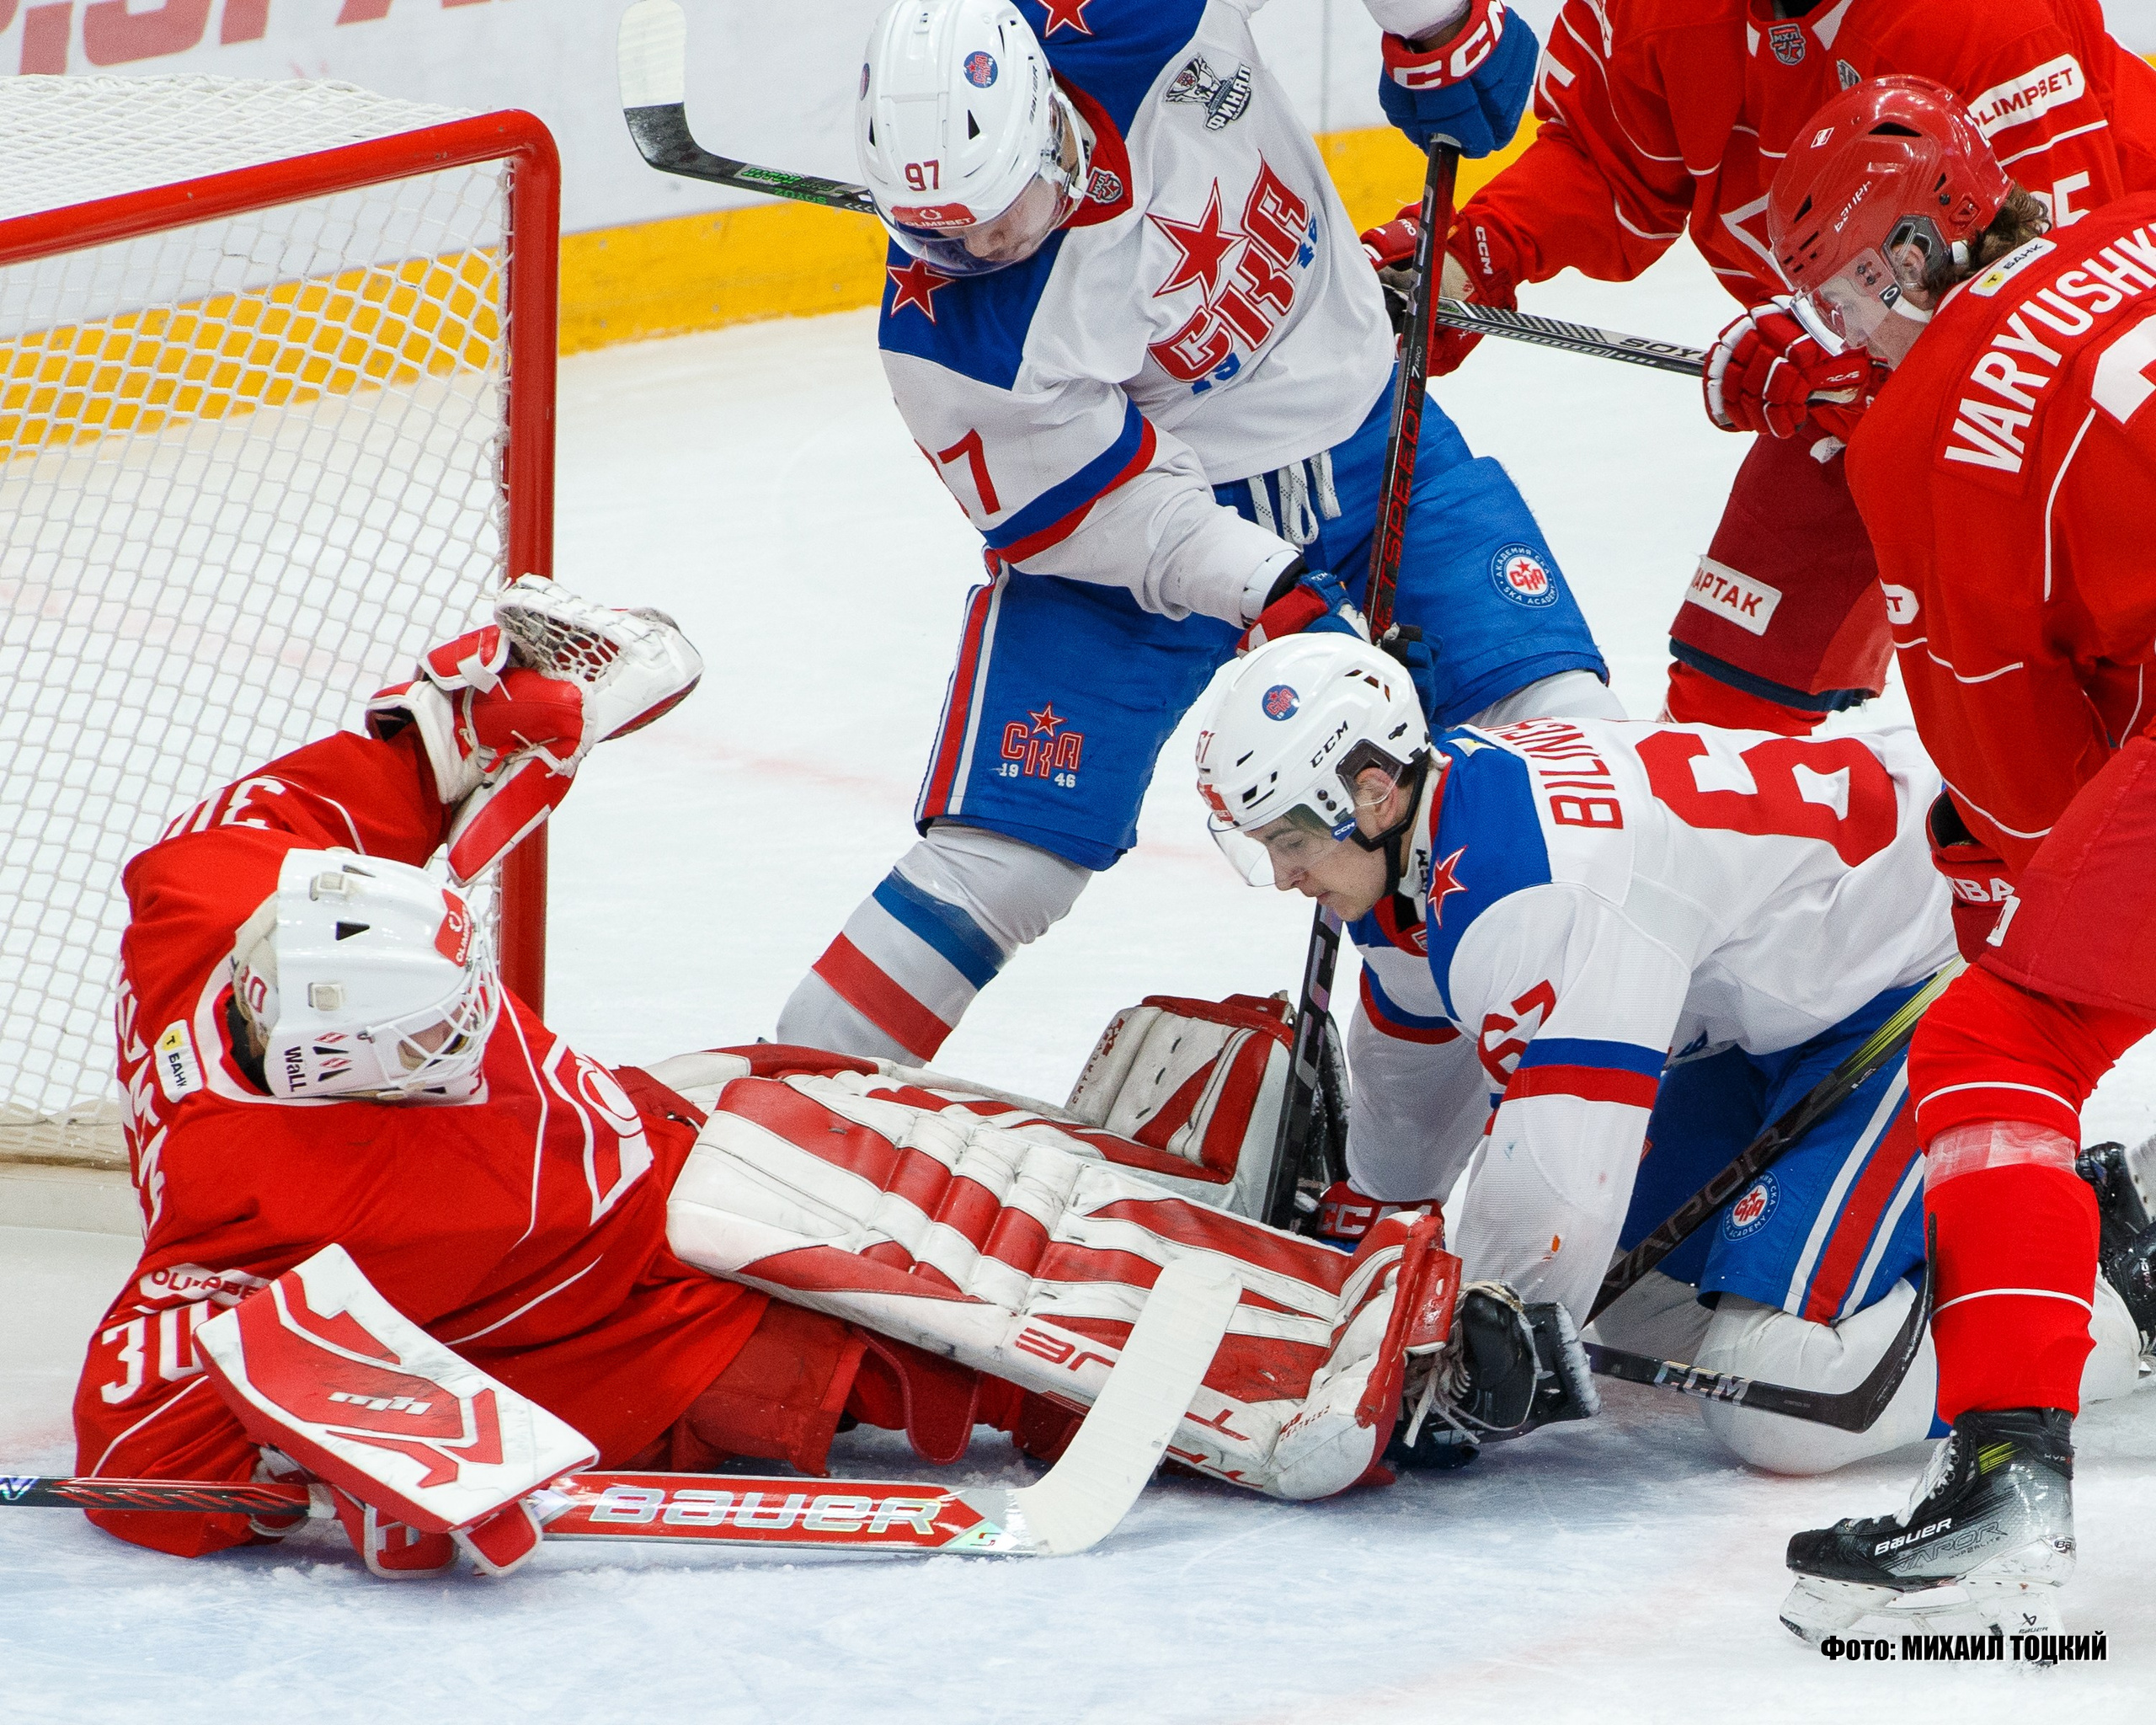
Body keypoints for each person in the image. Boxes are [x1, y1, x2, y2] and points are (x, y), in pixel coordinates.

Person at [71, 583, 1536, 1577]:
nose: (476, 1044)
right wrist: (296, 1458)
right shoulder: (245, 1221)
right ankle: (1341, 1371)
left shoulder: (208, 894)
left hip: (678, 1112)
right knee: (972, 1317)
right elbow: (134, 1438)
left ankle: (1191, 1199)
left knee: (946, 1138)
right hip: (644, 1312)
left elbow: (361, 774)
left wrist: (499, 708)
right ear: (342, 1078)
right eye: (442, 1058)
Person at [777, 0, 1621, 1066]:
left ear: (1043, 115)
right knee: (1004, 862)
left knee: (1570, 754)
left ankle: (1411, 1169)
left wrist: (1435, 21)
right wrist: (1272, 586)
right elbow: (1130, 516)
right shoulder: (954, 342)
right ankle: (792, 1095)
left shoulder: (1132, 15)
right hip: (1138, 556)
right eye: (937, 230)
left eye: (994, 209)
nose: (980, 246)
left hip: (1371, 451)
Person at [1189, 633, 2148, 1477]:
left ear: (1370, 789)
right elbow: (1411, 1086)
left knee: (1778, 1403)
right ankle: (1967, 1236)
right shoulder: (1425, 844)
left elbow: (1554, 1204)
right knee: (1643, 1303)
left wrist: (1453, 1353)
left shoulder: (1536, 887)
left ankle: (2109, 1294)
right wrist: (1363, 1236)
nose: (1280, 875)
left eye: (1290, 839)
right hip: (1780, 1001)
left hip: (1914, 969)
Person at [1754, 73, 2156, 1647]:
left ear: (1915, 256)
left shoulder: (1919, 427)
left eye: (1849, 290)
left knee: (2003, 1038)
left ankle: (2001, 1483)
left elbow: (2028, 783)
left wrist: (1999, 861)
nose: (1846, 332)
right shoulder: (2133, 223)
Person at [1380, 0, 2156, 734]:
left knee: (2087, 690)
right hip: (1859, 357)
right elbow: (1607, 157)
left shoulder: (1981, 23)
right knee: (1724, 697)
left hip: (2095, 390)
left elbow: (2057, 317)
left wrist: (1843, 359)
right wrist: (1478, 248)